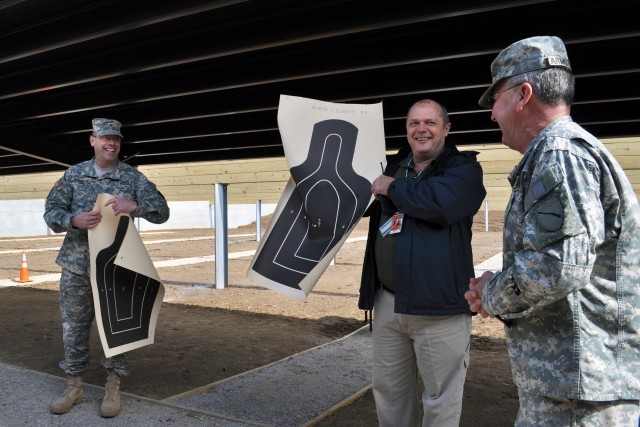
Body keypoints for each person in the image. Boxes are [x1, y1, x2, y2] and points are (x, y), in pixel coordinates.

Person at [465, 35, 640, 425]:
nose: (492, 114)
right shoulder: (563, 153)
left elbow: (558, 266)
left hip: (580, 392)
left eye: (495, 99)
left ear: (523, 94)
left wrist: (491, 293)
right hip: (574, 383)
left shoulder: (559, 155)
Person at [359, 99, 486, 426]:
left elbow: (440, 204)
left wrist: (392, 187)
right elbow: (362, 202)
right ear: (407, 130)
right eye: (414, 123)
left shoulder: (463, 170)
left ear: (446, 128)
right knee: (389, 392)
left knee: (440, 398)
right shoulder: (394, 166)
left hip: (439, 308)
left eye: (430, 122)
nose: (421, 129)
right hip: (389, 302)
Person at [44, 118, 170, 418]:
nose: (110, 143)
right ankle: (74, 385)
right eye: (104, 138)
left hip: (117, 267)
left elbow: (162, 211)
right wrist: (72, 220)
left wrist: (134, 205)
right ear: (93, 141)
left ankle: (113, 384)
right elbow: (51, 211)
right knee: (73, 328)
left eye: (115, 139)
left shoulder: (133, 178)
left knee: (117, 326)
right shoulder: (74, 175)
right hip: (77, 266)